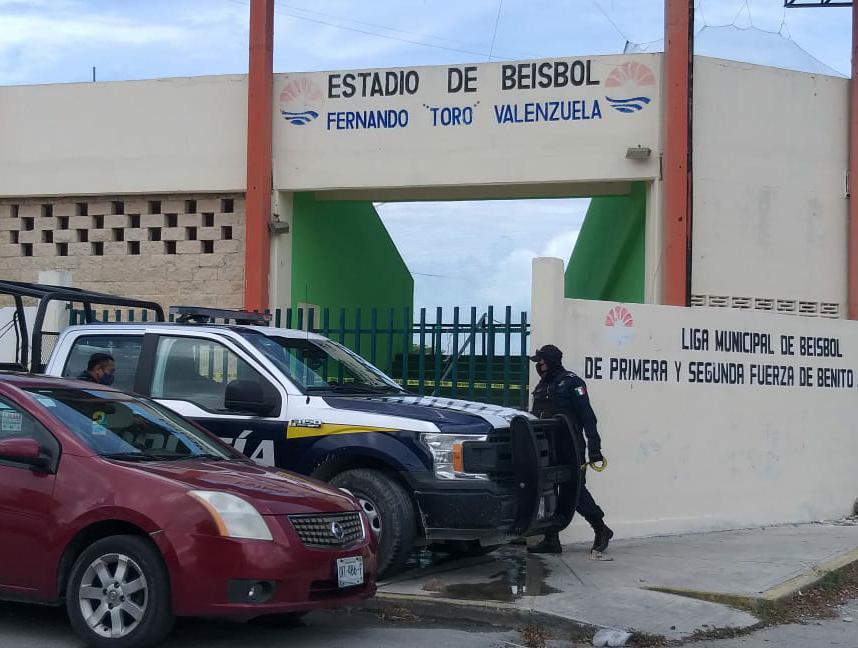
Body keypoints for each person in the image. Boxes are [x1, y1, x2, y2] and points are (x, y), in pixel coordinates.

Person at [527, 344, 613, 555]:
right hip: (547, 447)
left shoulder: (572, 382)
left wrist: (594, 447)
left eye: (541, 361)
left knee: (575, 491)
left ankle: (601, 529)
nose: (539, 365)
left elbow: (587, 417)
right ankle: (551, 539)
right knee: (548, 492)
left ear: (551, 361)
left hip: (570, 446)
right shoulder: (541, 387)